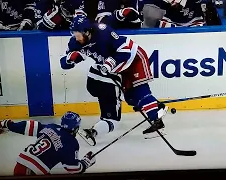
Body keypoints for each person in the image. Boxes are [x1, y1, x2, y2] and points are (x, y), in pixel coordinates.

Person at [60, 14, 169, 145]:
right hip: (118, 67)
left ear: (87, 31)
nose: (76, 37)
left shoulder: (103, 31)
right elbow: (64, 63)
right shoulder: (75, 42)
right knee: (130, 98)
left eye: (78, 34)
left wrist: (108, 64)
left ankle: (157, 120)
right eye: (74, 34)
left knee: (139, 91)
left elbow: (125, 51)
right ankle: (155, 107)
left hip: (133, 59)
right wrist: (70, 59)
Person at [0, 111, 96, 176]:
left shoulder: (51, 127)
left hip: (20, 164)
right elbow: (73, 168)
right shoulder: (72, 143)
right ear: (76, 128)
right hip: (34, 172)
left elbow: (27, 126)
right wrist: (85, 162)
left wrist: (7, 124)